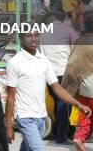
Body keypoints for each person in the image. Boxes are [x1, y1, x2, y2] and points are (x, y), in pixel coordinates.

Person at [5, 30, 91, 151]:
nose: (34, 39)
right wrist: (8, 124)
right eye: (29, 36)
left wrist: (78, 104)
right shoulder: (15, 63)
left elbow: (57, 88)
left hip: (41, 117)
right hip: (25, 117)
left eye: (36, 35)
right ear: (21, 38)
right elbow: (10, 96)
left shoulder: (43, 60)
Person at [62, 11, 93, 151]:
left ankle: (79, 137)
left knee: (85, 117)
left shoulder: (78, 43)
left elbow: (72, 65)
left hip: (83, 89)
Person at [40, 9, 79, 143]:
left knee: (57, 102)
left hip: (49, 73)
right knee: (63, 104)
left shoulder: (43, 31)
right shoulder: (67, 29)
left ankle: (59, 131)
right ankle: (62, 135)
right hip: (64, 71)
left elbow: (40, 51)